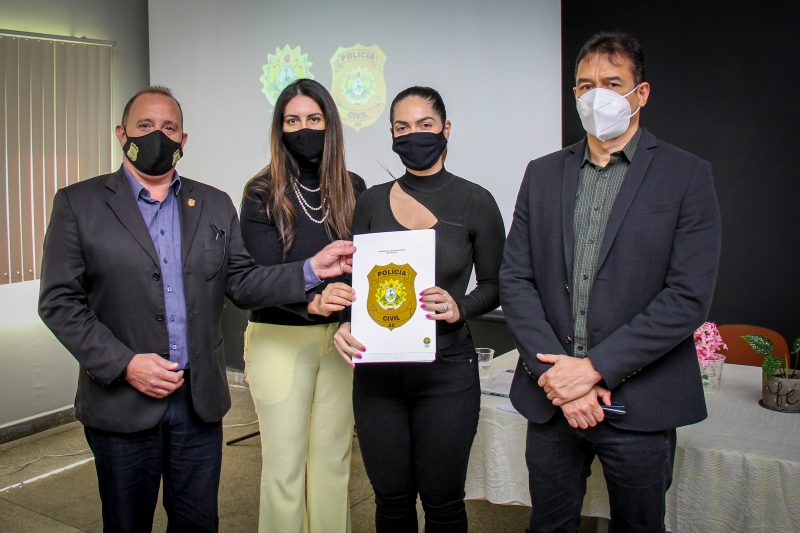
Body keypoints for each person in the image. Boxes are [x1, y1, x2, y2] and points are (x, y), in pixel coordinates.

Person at [37, 86, 355, 533]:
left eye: (169, 128)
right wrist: (125, 364)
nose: (158, 136)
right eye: (145, 126)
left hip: (197, 402)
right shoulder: (79, 204)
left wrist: (309, 270)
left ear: (183, 140)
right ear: (122, 134)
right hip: (123, 402)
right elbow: (59, 302)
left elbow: (242, 282)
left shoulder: (213, 203)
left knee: (198, 523)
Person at [500, 32, 722, 532]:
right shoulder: (542, 174)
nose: (595, 95)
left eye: (611, 83)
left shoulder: (686, 175)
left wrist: (594, 369)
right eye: (585, 85)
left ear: (641, 93)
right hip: (552, 399)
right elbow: (515, 279)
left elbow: (686, 298)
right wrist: (561, 380)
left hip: (641, 402)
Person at [334, 86, 505, 532]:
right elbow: (356, 282)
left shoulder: (476, 201)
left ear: (446, 129)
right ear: (392, 135)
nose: (413, 134)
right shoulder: (370, 201)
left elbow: (495, 285)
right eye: (402, 127)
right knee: (390, 500)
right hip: (378, 376)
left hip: (447, 372)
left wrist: (460, 306)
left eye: (424, 124)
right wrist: (344, 323)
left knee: (443, 501)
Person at [239, 78, 366, 533]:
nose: (303, 129)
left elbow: (364, 269)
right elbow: (253, 280)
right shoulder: (261, 192)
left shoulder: (353, 187)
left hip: (341, 344)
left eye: (313, 118)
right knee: (285, 470)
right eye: (292, 121)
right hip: (279, 340)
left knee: (334, 464)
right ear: (279, 128)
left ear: (330, 123)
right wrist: (312, 304)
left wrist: (349, 317)